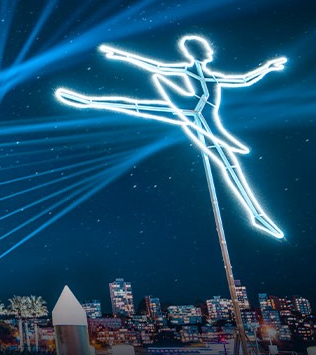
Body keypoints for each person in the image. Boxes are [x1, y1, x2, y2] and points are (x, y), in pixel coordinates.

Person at [55, 35, 286, 238]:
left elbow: (244, 80)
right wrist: (121, 56)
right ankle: (87, 101)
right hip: (187, 110)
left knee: (229, 163)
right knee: (135, 105)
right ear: (196, 52)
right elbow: (153, 66)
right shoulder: (185, 71)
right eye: (204, 48)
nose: (210, 51)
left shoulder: (214, 78)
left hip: (204, 120)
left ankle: (257, 216)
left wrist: (267, 68)